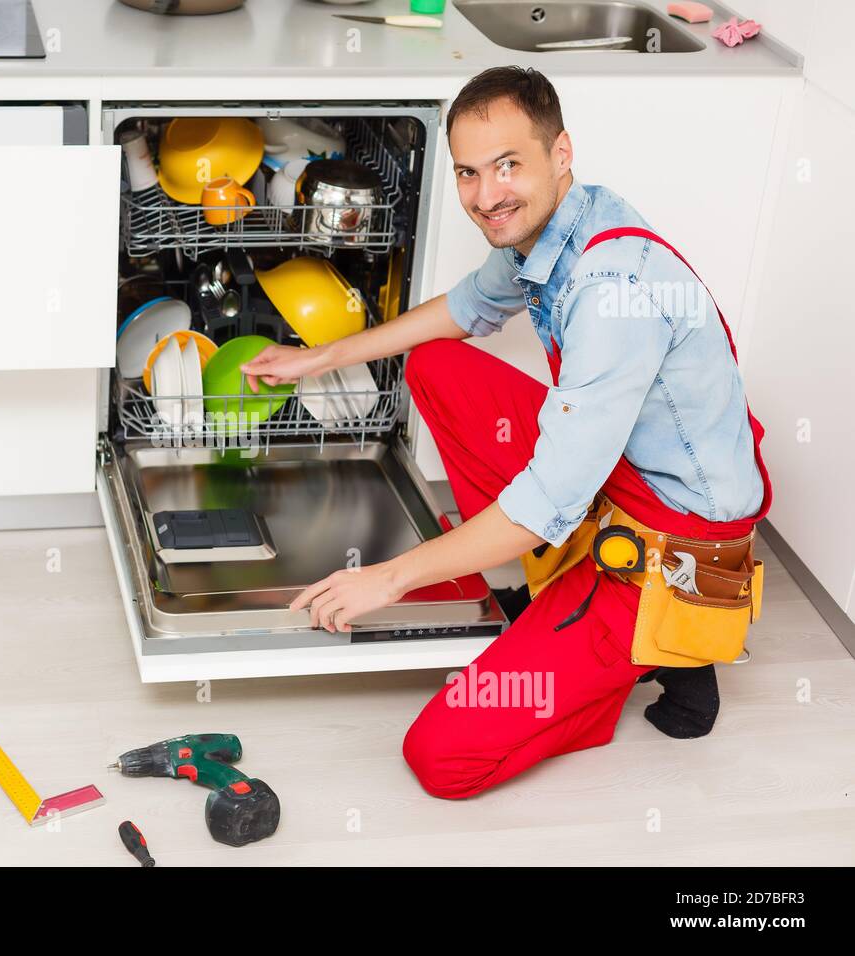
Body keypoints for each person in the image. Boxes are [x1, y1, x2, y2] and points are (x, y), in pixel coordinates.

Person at [239, 66, 771, 799]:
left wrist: (385, 579)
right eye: (468, 173)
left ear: (560, 155)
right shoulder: (563, 221)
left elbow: (544, 497)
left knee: (442, 759)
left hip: (672, 549)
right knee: (437, 366)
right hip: (621, 480)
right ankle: (558, 595)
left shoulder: (614, 291)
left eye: (508, 166)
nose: (487, 196)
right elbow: (465, 307)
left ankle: (662, 650)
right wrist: (320, 356)